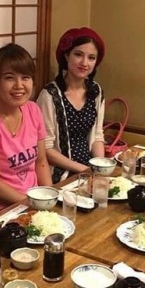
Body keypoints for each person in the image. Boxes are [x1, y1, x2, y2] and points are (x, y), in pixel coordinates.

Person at [0, 43, 52, 210]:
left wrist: (49, 196)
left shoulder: (33, 110)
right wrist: (30, 204)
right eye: (9, 77)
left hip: (35, 199)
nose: (19, 85)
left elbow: (41, 162)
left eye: (25, 77)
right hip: (3, 209)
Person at [37, 27, 105, 183]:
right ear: (66, 55)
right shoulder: (49, 95)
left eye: (91, 58)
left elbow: (97, 137)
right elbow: (46, 149)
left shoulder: (96, 91)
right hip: (60, 175)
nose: (84, 63)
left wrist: (100, 167)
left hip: (89, 170)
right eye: (78, 54)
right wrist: (84, 170)